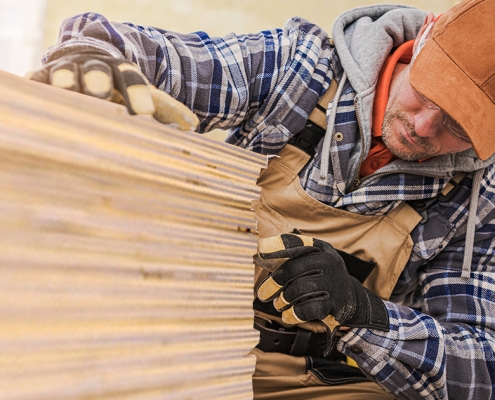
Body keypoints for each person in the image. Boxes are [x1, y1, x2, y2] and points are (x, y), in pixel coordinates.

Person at [30, 0, 495, 398]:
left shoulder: (480, 195)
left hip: (327, 380)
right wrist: (92, 55)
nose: (423, 126)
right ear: (423, 38)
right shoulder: (300, 70)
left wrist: (363, 312)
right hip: (190, 341)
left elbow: (478, 369)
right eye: (426, 93)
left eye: (459, 126)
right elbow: (159, 57)